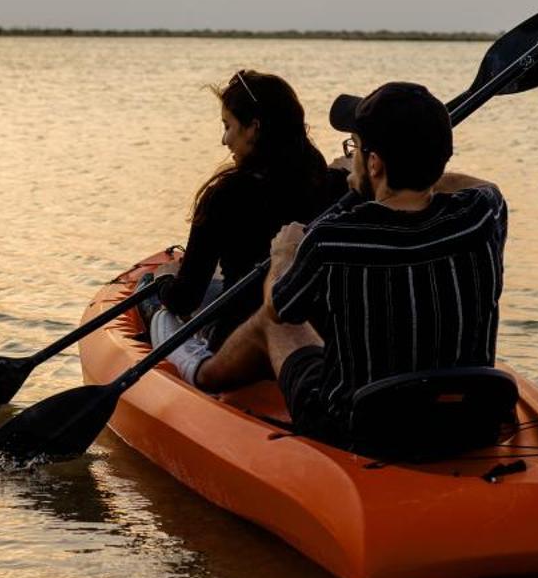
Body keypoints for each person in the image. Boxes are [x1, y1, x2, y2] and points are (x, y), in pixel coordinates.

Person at [196, 81, 506, 447]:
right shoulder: (483, 214)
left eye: (354, 147)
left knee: (269, 323)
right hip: (472, 419)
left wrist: (284, 254)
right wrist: (407, 170)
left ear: (374, 163)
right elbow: (480, 186)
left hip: (360, 427)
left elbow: (279, 308)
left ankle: (198, 373)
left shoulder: (331, 238)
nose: (350, 154)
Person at [148, 70, 346, 385]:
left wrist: (162, 283)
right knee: (219, 291)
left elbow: (185, 298)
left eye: (228, 126)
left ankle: (191, 368)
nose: (224, 139)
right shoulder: (329, 183)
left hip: (240, 346)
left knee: (156, 305)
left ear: (253, 128)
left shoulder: (224, 195)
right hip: (311, 342)